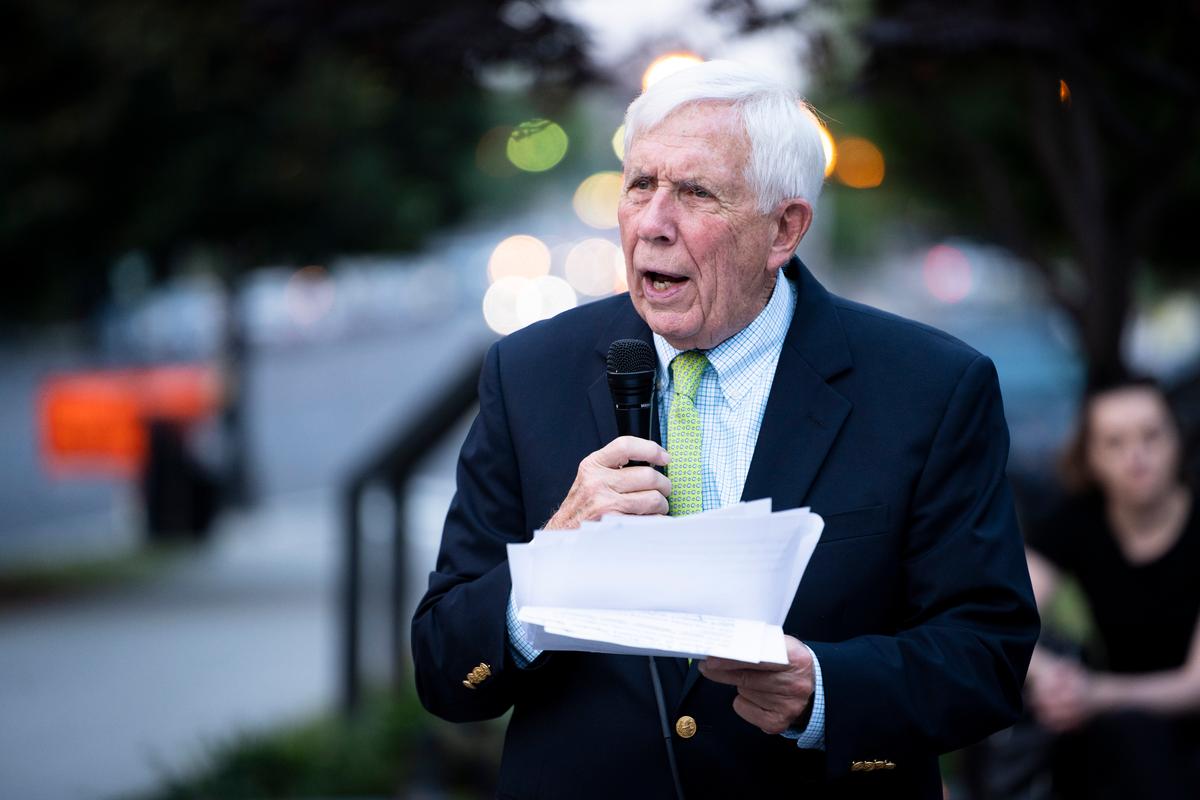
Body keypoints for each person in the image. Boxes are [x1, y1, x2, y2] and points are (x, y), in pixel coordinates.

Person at [412, 60, 1038, 799]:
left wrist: (824, 691)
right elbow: (443, 666)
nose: (652, 223)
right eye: (640, 184)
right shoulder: (527, 374)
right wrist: (551, 562)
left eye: (696, 192)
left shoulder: (930, 388)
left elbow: (986, 654)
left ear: (784, 229)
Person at [1023, 377, 1200, 799]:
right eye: (1114, 443)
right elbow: (1000, 616)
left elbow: (1197, 685)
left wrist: (1093, 694)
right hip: (1113, 727)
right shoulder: (1076, 520)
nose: (1136, 457)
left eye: (1151, 436)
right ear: (1090, 458)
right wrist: (1050, 676)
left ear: (1178, 439)